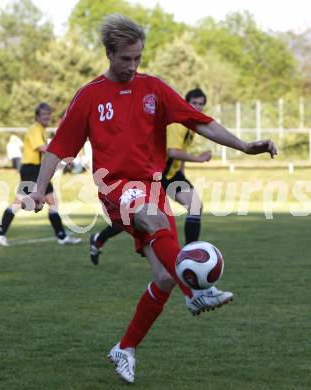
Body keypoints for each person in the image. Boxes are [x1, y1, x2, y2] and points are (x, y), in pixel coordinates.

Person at [21, 14, 277, 383]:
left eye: (138, 58)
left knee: (163, 277)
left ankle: (124, 348)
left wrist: (243, 146)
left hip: (153, 188)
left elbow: (198, 121)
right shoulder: (90, 96)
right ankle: (197, 292)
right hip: (115, 187)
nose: (132, 66)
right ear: (109, 53)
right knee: (153, 222)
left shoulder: (154, 89)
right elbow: (58, 148)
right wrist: (40, 188)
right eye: (125, 58)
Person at [89, 87, 211, 265]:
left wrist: (182, 173)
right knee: (141, 217)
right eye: (194, 103)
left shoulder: (189, 125)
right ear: (186, 103)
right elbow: (173, 151)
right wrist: (199, 159)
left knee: (195, 206)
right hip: (156, 173)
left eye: (201, 104)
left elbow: (179, 152)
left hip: (171, 175)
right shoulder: (178, 125)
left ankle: (190, 254)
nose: (198, 107)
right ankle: (99, 238)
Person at [0, 102, 82, 247]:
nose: (47, 117)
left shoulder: (40, 129)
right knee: (19, 201)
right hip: (31, 170)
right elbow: (42, 148)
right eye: (44, 114)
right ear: (37, 116)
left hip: (38, 169)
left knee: (52, 201)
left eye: (48, 114)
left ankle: (62, 236)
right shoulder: (35, 129)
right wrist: (63, 154)